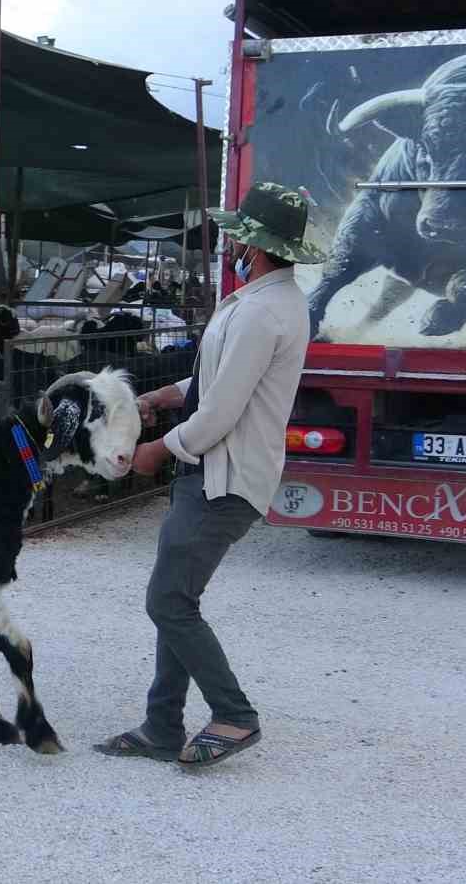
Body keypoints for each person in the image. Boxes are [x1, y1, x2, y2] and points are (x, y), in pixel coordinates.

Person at [95, 182, 321, 768]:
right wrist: (162, 396)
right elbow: (214, 383)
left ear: (255, 245)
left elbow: (221, 412)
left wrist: (157, 449)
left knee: (169, 602)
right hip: (215, 472)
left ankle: (234, 716)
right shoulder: (263, 301)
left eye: (239, 237)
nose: (232, 245)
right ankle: (161, 726)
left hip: (224, 478)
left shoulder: (263, 311)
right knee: (177, 598)